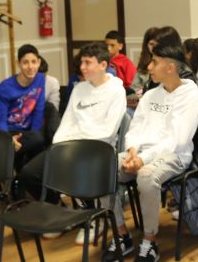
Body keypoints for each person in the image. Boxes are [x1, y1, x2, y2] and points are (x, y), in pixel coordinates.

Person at [100, 44, 198, 262]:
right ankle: (121, 235)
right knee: (103, 168)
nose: (149, 67)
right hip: (140, 154)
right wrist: (132, 150)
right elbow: (135, 127)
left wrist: (143, 159)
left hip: (174, 156)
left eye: (155, 62)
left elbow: (177, 139)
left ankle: (150, 241)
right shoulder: (150, 94)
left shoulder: (191, 95)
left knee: (146, 177)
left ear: (170, 67)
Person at [17, 42, 126, 206]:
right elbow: (66, 124)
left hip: (97, 151)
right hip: (71, 147)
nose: (82, 67)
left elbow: (107, 132)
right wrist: (58, 148)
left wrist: (75, 143)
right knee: (29, 173)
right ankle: (57, 206)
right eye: (82, 62)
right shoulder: (79, 89)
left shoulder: (116, 91)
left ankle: (87, 212)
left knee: (76, 177)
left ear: (103, 65)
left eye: (87, 63)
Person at [0, 43, 47, 176]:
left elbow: (38, 111)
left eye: (34, 62)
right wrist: (9, 139)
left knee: (39, 140)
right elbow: (0, 120)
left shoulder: (40, 79)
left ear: (39, 62)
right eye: (25, 62)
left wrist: (33, 136)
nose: (30, 67)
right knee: (12, 147)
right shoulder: (5, 87)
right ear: (18, 63)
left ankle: (21, 178)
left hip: (21, 132)